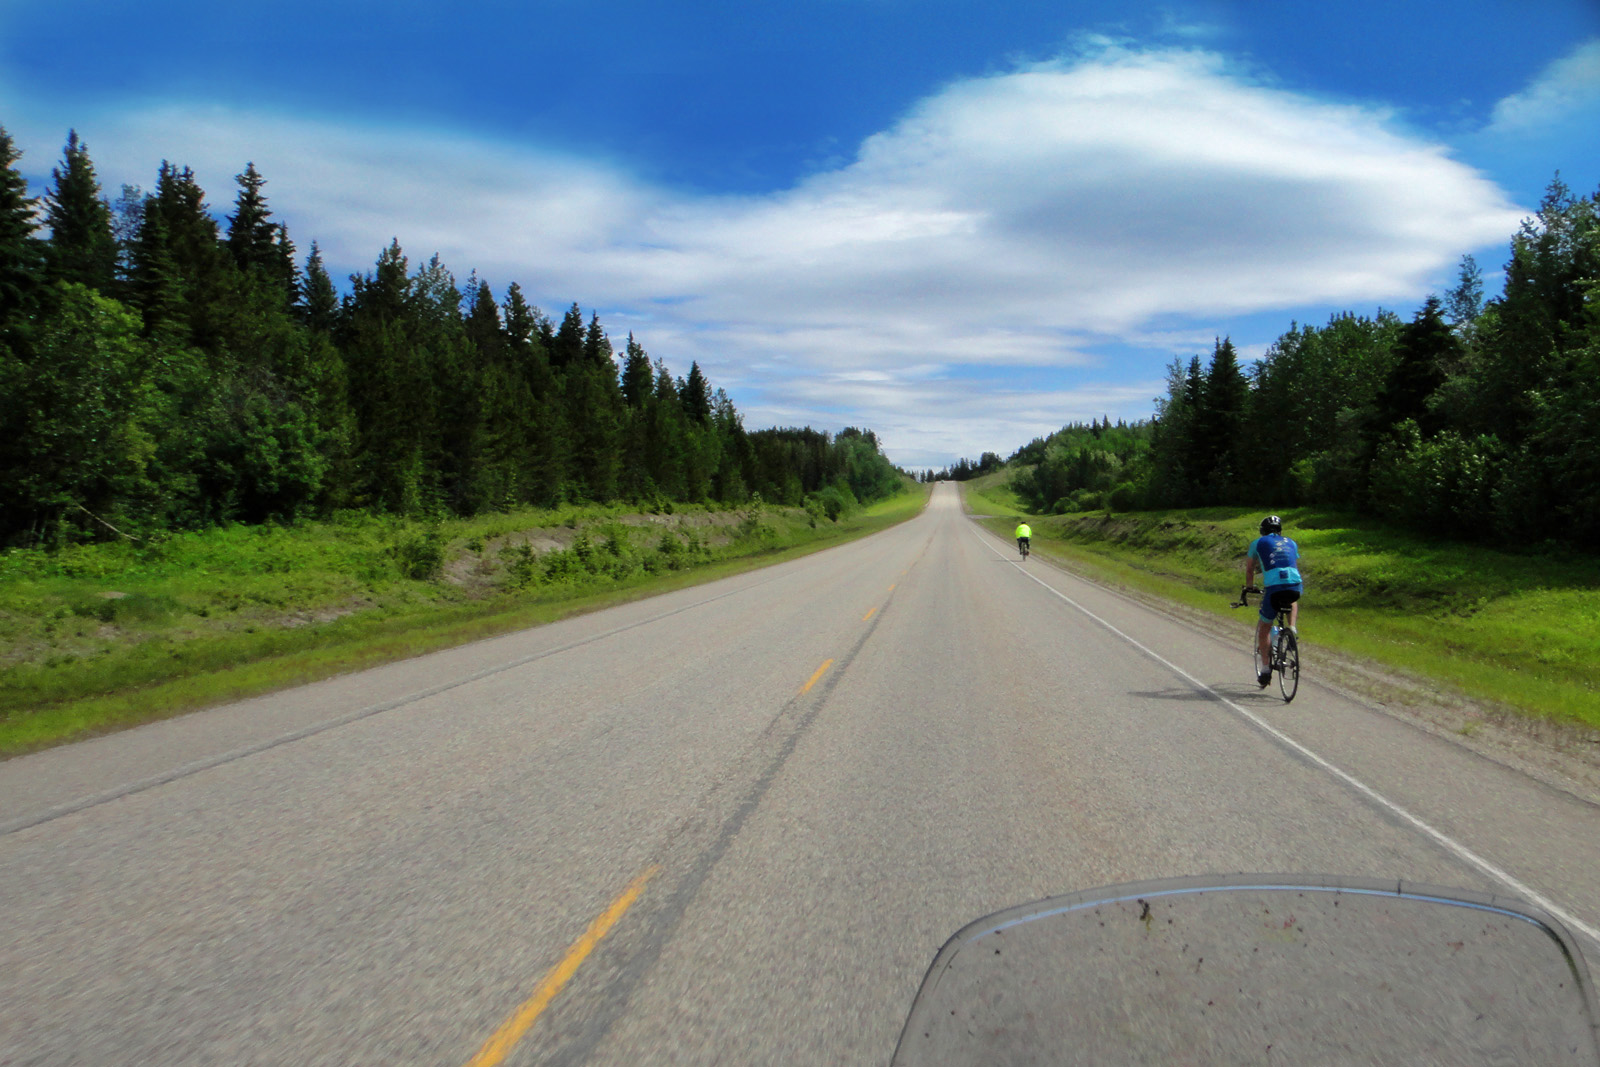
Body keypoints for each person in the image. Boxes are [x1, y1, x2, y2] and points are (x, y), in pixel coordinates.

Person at [1243, 515, 1302, 687]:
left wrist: (1250, 587)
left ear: (1262, 531)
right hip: (1295, 584)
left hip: (1274, 588)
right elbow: (1291, 562)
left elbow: (1249, 570)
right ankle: (1291, 628)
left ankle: (1266, 670)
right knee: (1292, 597)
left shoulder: (1257, 543)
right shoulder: (1291, 542)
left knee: (1264, 628)